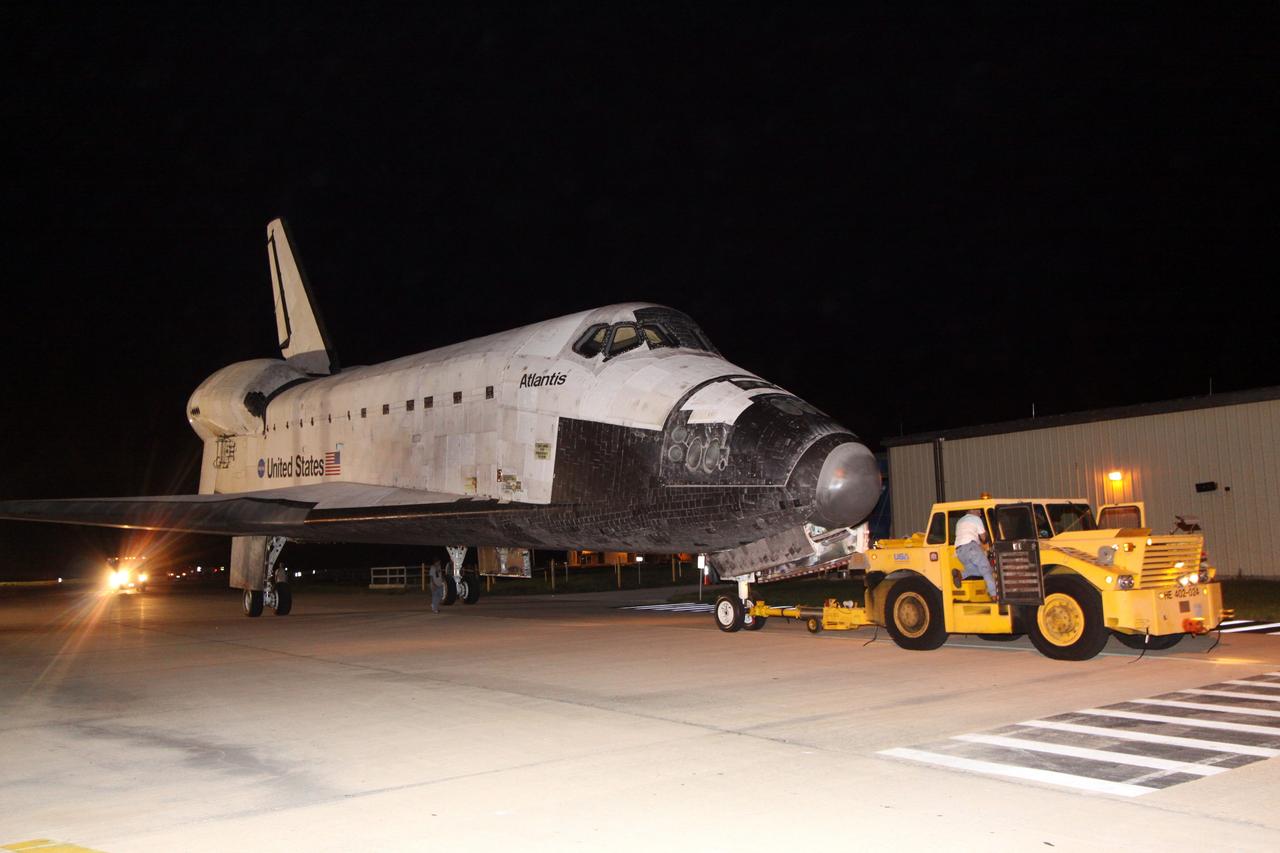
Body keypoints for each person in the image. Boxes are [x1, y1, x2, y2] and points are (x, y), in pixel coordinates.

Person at [954, 509, 997, 598]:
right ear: (972, 510)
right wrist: (987, 535)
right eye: (978, 511)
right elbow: (983, 538)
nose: (980, 513)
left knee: (974, 571)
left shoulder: (960, 521)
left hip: (959, 552)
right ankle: (994, 595)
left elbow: (971, 538)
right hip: (971, 548)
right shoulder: (976, 519)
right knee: (987, 571)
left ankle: (961, 574)